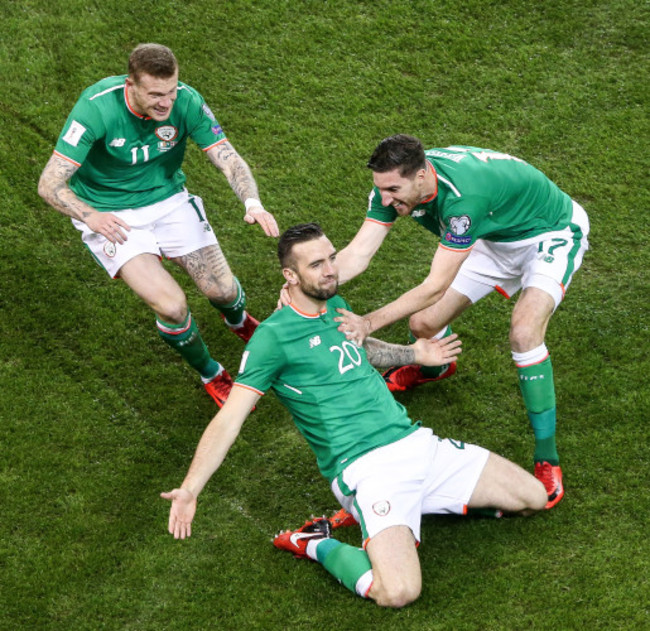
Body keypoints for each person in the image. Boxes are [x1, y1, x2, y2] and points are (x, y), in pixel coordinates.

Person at [161, 223, 547, 608]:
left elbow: (359, 346)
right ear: (290, 276)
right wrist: (191, 488)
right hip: (366, 469)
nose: (330, 269)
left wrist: (415, 355)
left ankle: (409, 509)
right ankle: (314, 543)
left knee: (534, 497)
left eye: (331, 258)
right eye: (316, 264)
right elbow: (230, 419)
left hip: (416, 443)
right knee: (397, 592)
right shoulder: (272, 340)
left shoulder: (335, 305)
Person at [333, 135, 590, 509]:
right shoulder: (393, 186)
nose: (386, 200)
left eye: (393, 190)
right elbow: (357, 253)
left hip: (548, 232)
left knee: (523, 331)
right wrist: (305, 289)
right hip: (494, 235)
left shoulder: (463, 202)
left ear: (421, 176)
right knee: (423, 324)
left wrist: (368, 323)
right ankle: (438, 368)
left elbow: (435, 285)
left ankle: (547, 457)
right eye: (381, 190)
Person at [38, 43, 279, 407]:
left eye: (170, 91)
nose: (166, 103)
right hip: (110, 215)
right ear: (130, 84)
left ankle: (238, 320)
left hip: (169, 202)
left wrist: (252, 202)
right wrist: (92, 216)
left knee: (222, 291)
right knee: (171, 307)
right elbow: (49, 183)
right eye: (155, 94)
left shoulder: (186, 100)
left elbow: (228, 158)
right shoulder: (96, 107)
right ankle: (211, 374)